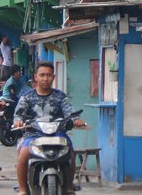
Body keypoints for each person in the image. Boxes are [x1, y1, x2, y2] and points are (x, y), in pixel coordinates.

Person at [13, 61, 85, 195]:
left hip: (58, 134)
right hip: (33, 135)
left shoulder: (60, 96)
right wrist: (18, 121)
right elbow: (18, 115)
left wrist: (76, 120)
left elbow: (69, 111)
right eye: (42, 75)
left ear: (54, 77)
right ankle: (22, 189)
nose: (45, 78)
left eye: (48, 75)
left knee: (70, 153)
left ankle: (69, 186)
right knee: (23, 154)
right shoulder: (27, 97)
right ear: (36, 77)